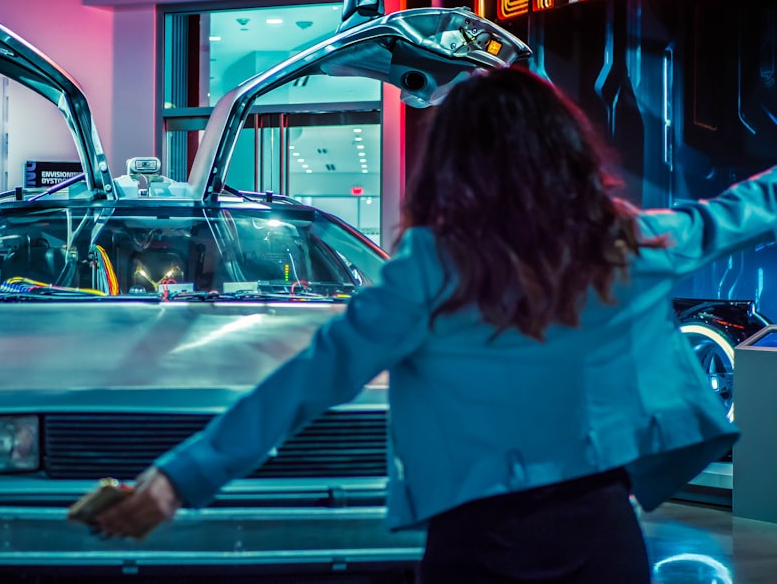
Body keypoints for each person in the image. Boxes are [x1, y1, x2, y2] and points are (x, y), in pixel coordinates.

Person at [85, 66, 751, 582]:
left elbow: (311, 379)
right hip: (603, 534)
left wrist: (177, 480)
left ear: (453, 160)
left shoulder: (427, 265)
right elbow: (747, 207)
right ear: (565, 149)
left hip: (477, 544)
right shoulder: (627, 243)